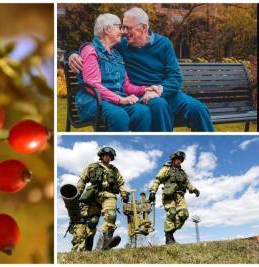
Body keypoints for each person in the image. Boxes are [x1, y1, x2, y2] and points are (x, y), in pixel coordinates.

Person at [69, 7, 214, 132]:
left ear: (144, 27)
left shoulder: (164, 44)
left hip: (165, 92)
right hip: (142, 95)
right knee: (159, 105)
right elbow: (97, 45)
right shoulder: (122, 45)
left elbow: (175, 77)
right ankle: (163, 147)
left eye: (128, 27)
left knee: (198, 109)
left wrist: (158, 90)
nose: (124, 32)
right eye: (122, 27)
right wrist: (72, 55)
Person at [75, 13, 164, 132]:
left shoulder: (117, 56)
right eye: (119, 27)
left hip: (114, 101)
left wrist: (145, 89)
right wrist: (120, 99)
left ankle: (136, 147)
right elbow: (92, 85)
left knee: (143, 112)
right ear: (107, 29)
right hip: (93, 101)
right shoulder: (90, 51)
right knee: (119, 116)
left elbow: (126, 86)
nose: (122, 31)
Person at [76, 146, 130, 250]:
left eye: (110, 156)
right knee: (92, 221)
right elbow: (82, 180)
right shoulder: (92, 167)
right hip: (94, 195)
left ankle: (107, 242)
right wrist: (78, 193)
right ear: (101, 156)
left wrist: (124, 194)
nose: (108, 157)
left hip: (109, 195)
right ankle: (88, 248)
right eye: (106, 155)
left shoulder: (114, 170)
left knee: (111, 214)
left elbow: (121, 183)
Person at [148, 151, 200, 244]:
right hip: (169, 195)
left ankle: (170, 232)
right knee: (171, 213)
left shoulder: (182, 173)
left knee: (184, 214)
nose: (179, 162)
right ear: (173, 159)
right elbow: (157, 180)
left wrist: (194, 189)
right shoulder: (166, 169)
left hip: (180, 196)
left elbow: (187, 183)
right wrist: (152, 192)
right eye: (177, 159)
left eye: (180, 160)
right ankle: (169, 238)